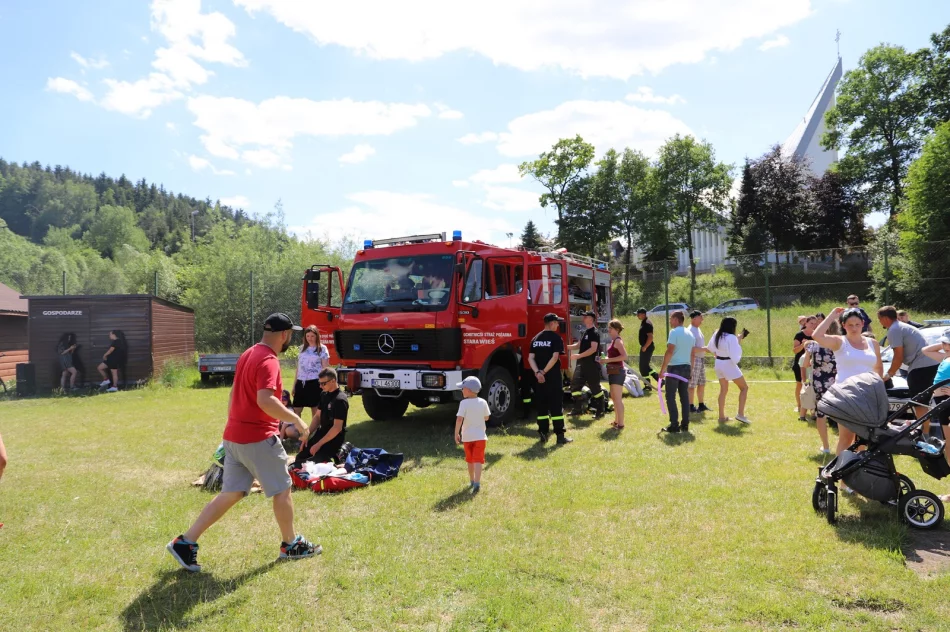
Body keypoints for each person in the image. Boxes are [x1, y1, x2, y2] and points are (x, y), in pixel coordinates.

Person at [167, 313, 317, 573]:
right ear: (284, 335)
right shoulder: (269, 360)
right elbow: (265, 400)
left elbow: (236, 394)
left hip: (234, 437)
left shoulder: (249, 353)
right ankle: (291, 545)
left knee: (232, 493)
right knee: (282, 489)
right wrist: (297, 421)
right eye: (290, 334)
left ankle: (185, 541)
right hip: (257, 439)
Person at [812, 307, 884, 459]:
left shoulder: (873, 343)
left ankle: (858, 477)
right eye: (850, 325)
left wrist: (878, 391)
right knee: (846, 439)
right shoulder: (840, 342)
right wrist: (832, 315)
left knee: (864, 440)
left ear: (863, 324)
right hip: (846, 397)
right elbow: (816, 335)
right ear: (843, 325)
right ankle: (843, 480)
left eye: (857, 324)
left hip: (867, 395)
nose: (854, 328)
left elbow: (878, 368)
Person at [878, 306, 941, 428]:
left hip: (920, 368)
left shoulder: (894, 330)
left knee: (919, 403)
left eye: (879, 319)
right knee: (926, 402)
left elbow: (898, 356)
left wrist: (889, 374)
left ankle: (924, 436)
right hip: (931, 365)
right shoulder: (903, 326)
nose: (880, 322)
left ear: (885, 318)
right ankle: (927, 432)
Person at [528, 313, 572, 444]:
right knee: (556, 406)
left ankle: (543, 434)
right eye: (557, 322)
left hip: (539, 379)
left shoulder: (535, 339)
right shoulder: (556, 338)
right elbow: (554, 357)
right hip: (552, 377)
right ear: (551, 323)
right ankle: (560, 436)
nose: (558, 325)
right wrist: (544, 372)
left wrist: (537, 373)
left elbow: (530, 358)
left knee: (541, 406)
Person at [295, 368, 349, 467]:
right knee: (300, 459)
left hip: (334, 438)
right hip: (321, 433)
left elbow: (337, 428)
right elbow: (317, 417)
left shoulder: (340, 400)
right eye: (319, 383)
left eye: (323, 383)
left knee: (316, 462)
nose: (320, 386)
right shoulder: (324, 394)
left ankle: (339, 458)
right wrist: (307, 434)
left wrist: (319, 444)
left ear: (333, 381)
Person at [920, 334, 950, 501]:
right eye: (945, 343)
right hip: (943, 405)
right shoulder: (946, 357)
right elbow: (925, 350)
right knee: (949, 450)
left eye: (948, 344)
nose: (946, 346)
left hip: (948, 402)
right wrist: (944, 344)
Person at [706, 317, 751, 425]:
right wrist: (738, 339)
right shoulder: (731, 337)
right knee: (744, 388)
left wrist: (738, 338)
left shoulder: (717, 333)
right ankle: (740, 414)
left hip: (718, 363)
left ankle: (721, 417)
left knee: (723, 390)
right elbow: (735, 354)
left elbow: (710, 348)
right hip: (728, 364)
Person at [803, 315, 838, 454]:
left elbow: (806, 365)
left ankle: (826, 447)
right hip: (838, 383)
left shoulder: (813, 346)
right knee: (841, 415)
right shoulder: (840, 344)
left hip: (819, 384)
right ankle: (845, 445)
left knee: (821, 415)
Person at [658, 311, 694, 433]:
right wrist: (691, 370)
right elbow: (692, 354)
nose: (669, 321)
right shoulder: (690, 334)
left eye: (670, 318)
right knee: (684, 397)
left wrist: (662, 369)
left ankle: (674, 424)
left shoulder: (674, 332)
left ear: (676, 319)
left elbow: (669, 351)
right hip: (686, 368)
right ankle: (685, 424)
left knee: (670, 396)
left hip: (674, 368)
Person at [454, 376, 491, 493]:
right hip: (480, 437)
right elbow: (487, 417)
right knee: (478, 460)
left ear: (468, 390)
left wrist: (456, 433)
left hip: (467, 437)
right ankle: (477, 483)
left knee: (470, 460)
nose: (461, 390)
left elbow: (459, 419)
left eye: (463, 388)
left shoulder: (463, 403)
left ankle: (471, 480)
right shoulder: (483, 402)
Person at [567, 310, 605, 418]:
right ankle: (578, 409)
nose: (583, 318)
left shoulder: (594, 332)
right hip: (582, 365)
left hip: (591, 365)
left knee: (595, 389)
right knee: (575, 385)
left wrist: (578, 356)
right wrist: (565, 347)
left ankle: (600, 411)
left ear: (591, 319)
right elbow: (577, 345)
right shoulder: (585, 332)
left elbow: (593, 349)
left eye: (585, 316)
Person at [292, 325, 329, 420]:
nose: (310, 338)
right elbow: (298, 368)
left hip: (315, 383)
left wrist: (325, 385)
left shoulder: (322, 349)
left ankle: (315, 432)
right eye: (307, 336)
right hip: (301, 382)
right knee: (296, 410)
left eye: (312, 336)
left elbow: (325, 369)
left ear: (317, 336)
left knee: (316, 410)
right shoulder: (301, 349)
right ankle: (298, 432)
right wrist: (294, 385)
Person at [793, 316, 817, 421]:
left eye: (815, 323)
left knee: (812, 387)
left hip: (813, 364)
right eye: (811, 323)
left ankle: (812, 410)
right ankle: (799, 405)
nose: (813, 325)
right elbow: (794, 350)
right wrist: (803, 345)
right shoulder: (799, 335)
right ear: (806, 323)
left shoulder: (816, 335)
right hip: (801, 363)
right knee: (800, 384)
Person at [686, 310, 711, 414]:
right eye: (700, 317)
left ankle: (701, 405)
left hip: (700, 359)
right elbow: (691, 349)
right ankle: (690, 406)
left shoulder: (697, 329)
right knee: (691, 385)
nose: (702, 320)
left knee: (701, 383)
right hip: (694, 359)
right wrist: (704, 349)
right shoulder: (690, 330)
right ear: (694, 318)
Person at [636, 308, 657, 389]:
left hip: (647, 347)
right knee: (644, 367)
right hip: (645, 347)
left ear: (643, 314)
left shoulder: (647, 323)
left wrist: (645, 347)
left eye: (638, 314)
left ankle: (656, 380)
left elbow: (650, 337)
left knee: (643, 367)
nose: (637, 315)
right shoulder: (644, 322)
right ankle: (649, 384)